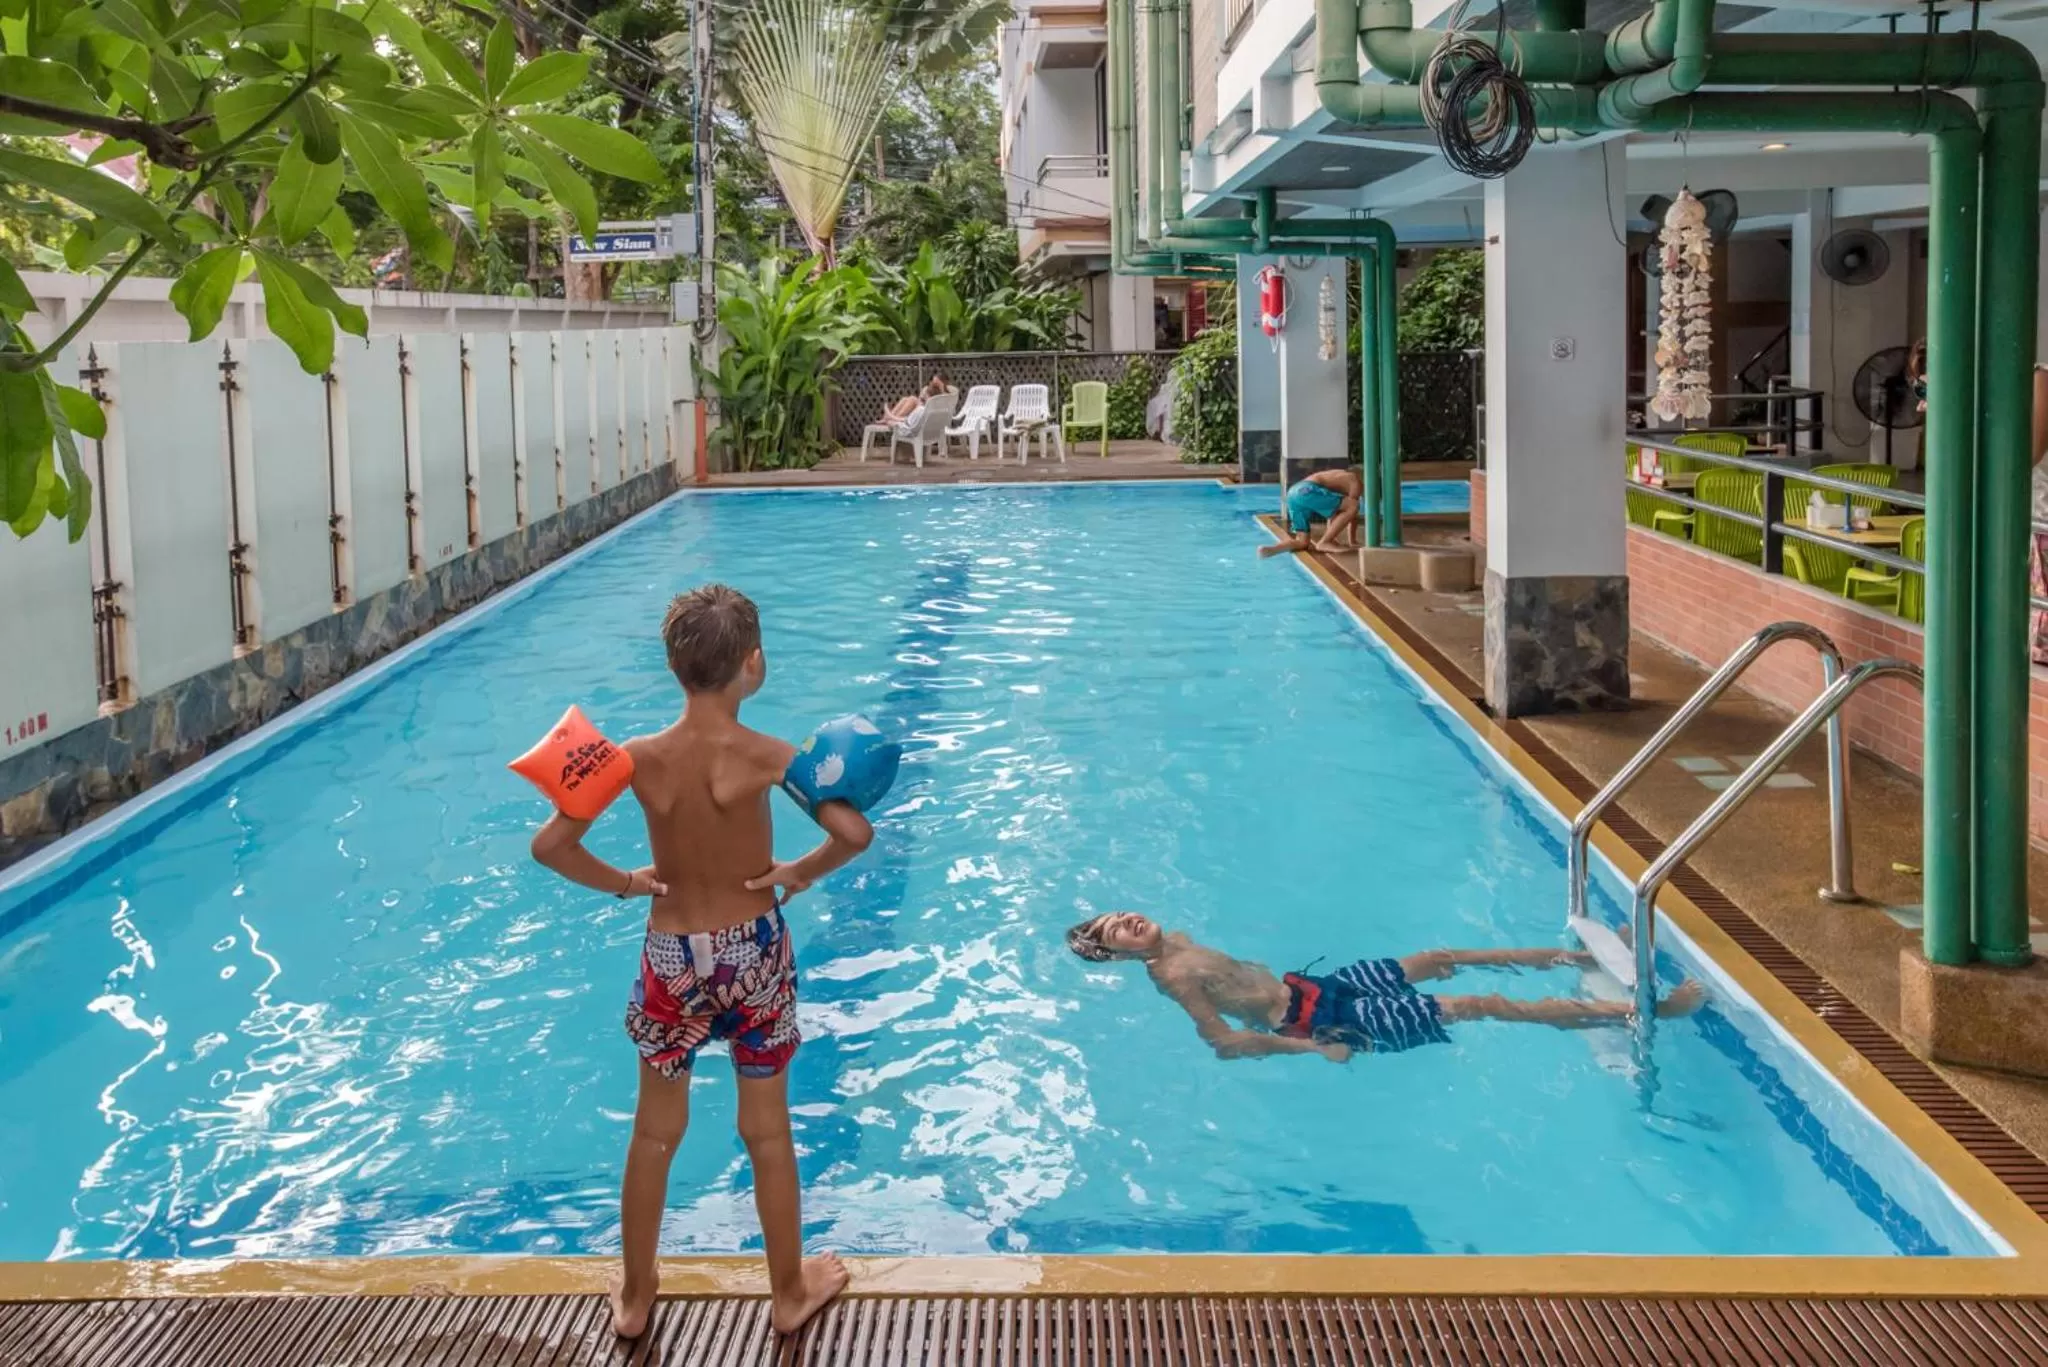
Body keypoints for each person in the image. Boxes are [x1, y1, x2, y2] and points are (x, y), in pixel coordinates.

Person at [530, 584, 874, 1339]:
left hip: (670, 957)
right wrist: (798, 872)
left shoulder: (635, 759)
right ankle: (788, 1291)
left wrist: (626, 882)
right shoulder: (769, 756)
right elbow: (854, 833)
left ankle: (634, 1294)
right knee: (768, 1130)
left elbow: (550, 845)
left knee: (654, 1133)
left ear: (672, 666)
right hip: (753, 954)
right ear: (754, 664)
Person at [1065, 911, 1704, 1061]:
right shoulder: (1172, 975)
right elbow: (1225, 1042)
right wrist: (1315, 1051)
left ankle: (1575, 955)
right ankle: (1639, 1013)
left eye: (1118, 914)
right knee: (1479, 1003)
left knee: (1437, 956)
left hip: (1316, 987)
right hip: (1322, 1025)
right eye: (1111, 932)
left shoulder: (1175, 938)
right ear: (1117, 957)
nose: (1123, 921)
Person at [1259, 466, 1363, 557]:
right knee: (1353, 505)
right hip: (1308, 490)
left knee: (1302, 542)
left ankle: (1271, 550)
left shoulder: (1337, 476)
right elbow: (1352, 511)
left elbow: (1335, 513)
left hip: (1293, 493)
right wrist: (1352, 541)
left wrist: (1333, 537)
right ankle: (1325, 542)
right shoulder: (1355, 481)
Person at [879, 372, 950, 426]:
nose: (932, 383)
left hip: (928, 418)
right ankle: (888, 418)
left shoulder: (946, 395)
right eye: (932, 381)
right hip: (919, 414)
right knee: (905, 399)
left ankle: (892, 418)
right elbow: (920, 402)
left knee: (913, 399)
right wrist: (924, 395)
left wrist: (941, 388)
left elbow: (934, 406)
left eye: (936, 383)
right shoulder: (927, 389)